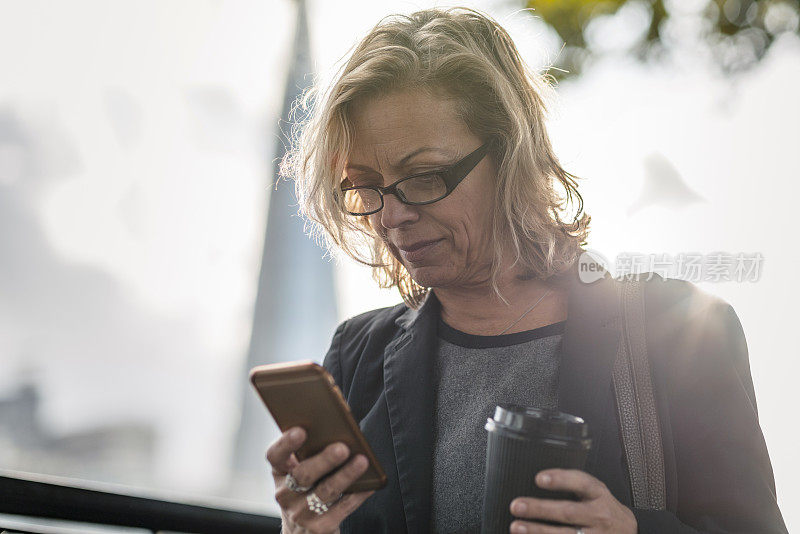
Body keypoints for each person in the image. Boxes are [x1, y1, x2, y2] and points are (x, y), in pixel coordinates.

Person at [265, 7, 788, 534]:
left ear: (513, 155)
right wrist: (303, 529)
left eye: (423, 176)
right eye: (365, 185)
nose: (391, 215)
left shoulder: (680, 332)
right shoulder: (360, 356)